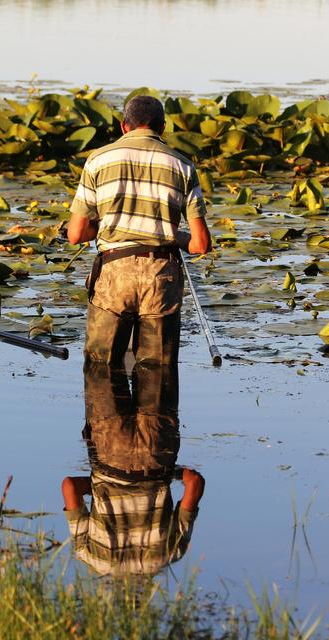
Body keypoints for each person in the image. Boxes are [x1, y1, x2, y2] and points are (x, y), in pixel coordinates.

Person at [67, 95, 212, 366]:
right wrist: (175, 236)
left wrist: (103, 225)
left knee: (102, 371)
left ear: (124, 126)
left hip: (113, 273)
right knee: (158, 378)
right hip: (161, 275)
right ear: (163, 128)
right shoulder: (183, 165)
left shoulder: (97, 160)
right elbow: (201, 244)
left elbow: (76, 235)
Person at [61, 363, 206, 577]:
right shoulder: (89, 555)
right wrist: (101, 488)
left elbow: (193, 482)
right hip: (107, 448)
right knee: (101, 365)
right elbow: (69, 486)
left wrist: (169, 472)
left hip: (155, 450)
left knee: (159, 363)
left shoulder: (169, 553)